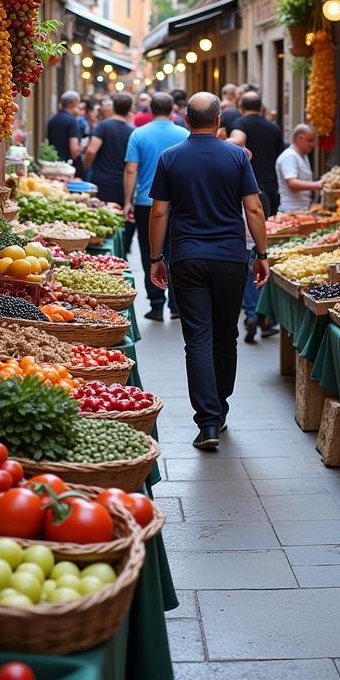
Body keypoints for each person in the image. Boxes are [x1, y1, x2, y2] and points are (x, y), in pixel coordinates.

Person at [148, 92, 270, 449]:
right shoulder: (236, 156)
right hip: (231, 258)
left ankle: (208, 422)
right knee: (225, 336)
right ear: (218, 120)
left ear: (186, 120)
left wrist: (156, 258)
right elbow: (254, 209)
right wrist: (261, 252)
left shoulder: (170, 158)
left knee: (197, 339)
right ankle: (222, 408)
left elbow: (159, 212)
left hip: (187, 257)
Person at [124, 92, 188, 320]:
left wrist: (127, 201)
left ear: (151, 109)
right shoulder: (184, 134)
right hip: (179, 202)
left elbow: (131, 170)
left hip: (146, 202)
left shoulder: (138, 134)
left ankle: (156, 303)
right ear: (172, 109)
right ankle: (176, 304)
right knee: (177, 249)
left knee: (150, 250)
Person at [229, 91, 286, 343]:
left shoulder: (240, 125)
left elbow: (237, 141)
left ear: (241, 107)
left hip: (248, 192)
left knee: (251, 252)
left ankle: (252, 311)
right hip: (269, 192)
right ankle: (265, 316)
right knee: (262, 249)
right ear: (262, 108)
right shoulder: (273, 128)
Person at [82, 93, 134, 204]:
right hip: (121, 183)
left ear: (113, 107)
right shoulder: (132, 131)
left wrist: (84, 168)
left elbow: (91, 151)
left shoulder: (103, 126)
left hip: (101, 181)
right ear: (130, 109)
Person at [276, 123, 322, 213]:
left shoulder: (303, 156)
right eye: (309, 140)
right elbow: (292, 183)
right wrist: (318, 185)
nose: (312, 145)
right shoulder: (289, 156)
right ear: (299, 138)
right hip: (291, 211)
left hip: (302, 210)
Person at [46, 91, 82, 164]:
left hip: (53, 162)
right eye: (78, 104)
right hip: (68, 166)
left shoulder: (52, 120)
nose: (79, 107)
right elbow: (74, 150)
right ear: (73, 103)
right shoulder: (72, 121)